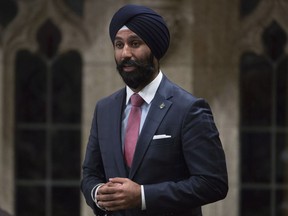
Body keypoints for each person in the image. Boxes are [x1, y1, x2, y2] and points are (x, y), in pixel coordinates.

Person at [81, 4, 228, 216]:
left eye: (135, 43)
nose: (125, 53)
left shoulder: (189, 109)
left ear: (154, 49)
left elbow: (213, 183)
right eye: (119, 45)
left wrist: (142, 196)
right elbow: (90, 173)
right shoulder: (105, 109)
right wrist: (98, 193)